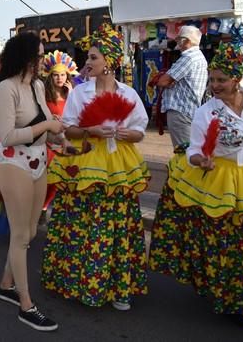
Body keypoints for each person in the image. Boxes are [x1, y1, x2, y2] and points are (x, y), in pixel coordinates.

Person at [42, 23, 150, 312]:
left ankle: (119, 286)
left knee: (119, 224)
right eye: (88, 57)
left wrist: (132, 135)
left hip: (119, 164)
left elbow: (141, 128)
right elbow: (70, 130)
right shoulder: (81, 93)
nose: (87, 62)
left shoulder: (128, 94)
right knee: (85, 223)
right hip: (88, 160)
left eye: (93, 57)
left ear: (109, 62)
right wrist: (91, 130)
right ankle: (82, 280)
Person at [149, 42, 243, 325]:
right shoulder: (206, 111)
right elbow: (195, 150)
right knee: (231, 243)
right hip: (219, 180)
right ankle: (234, 298)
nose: (215, 85)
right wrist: (201, 161)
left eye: (222, 80)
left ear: (237, 79)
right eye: (212, 79)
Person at [0, 32, 63, 331]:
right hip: (12, 162)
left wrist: (61, 138)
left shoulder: (35, 85)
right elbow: (7, 135)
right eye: (39, 55)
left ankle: (6, 284)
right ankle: (25, 304)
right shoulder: (5, 88)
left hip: (39, 159)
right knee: (21, 236)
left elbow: (45, 123)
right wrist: (46, 126)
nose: (42, 61)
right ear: (25, 57)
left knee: (31, 231)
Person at [155, 25, 208, 147]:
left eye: (179, 39)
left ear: (187, 41)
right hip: (189, 110)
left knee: (183, 153)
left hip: (180, 111)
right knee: (189, 149)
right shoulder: (198, 57)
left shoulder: (188, 57)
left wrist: (168, 80)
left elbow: (163, 81)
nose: (177, 42)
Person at [41, 50, 78, 213]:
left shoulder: (73, 94)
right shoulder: (43, 95)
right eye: (56, 75)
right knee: (50, 179)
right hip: (50, 144)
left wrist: (71, 94)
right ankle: (42, 208)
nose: (60, 78)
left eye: (63, 75)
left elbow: (78, 114)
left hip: (68, 142)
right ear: (50, 76)